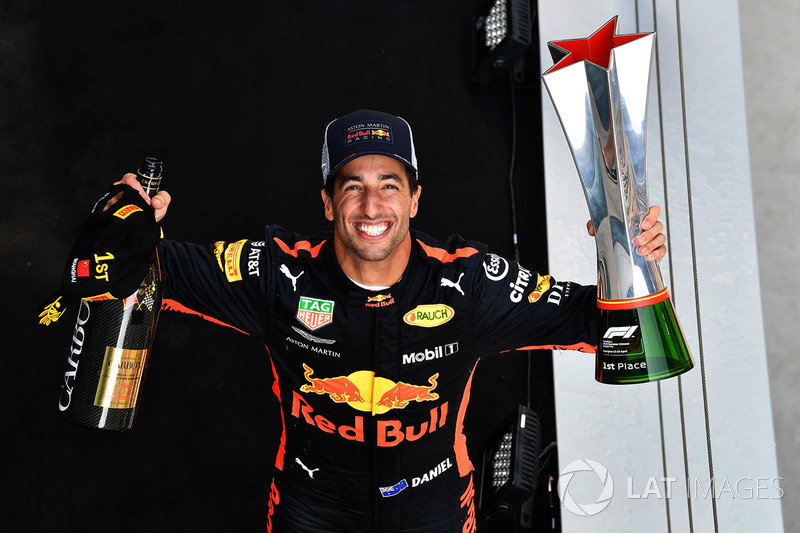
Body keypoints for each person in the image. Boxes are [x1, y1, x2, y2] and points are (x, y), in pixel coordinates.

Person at [102, 109, 666, 532]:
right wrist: (120, 220)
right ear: (327, 203)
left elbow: (628, 339)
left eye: (389, 186)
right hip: (311, 510)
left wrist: (629, 258)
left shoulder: (471, 282)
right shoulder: (275, 274)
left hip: (435, 510)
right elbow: (135, 270)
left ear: (416, 199)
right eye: (353, 187)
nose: (371, 207)